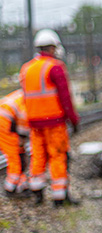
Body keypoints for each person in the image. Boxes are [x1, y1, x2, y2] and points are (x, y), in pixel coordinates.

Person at [19, 28, 80, 207]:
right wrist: (74, 120)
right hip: (54, 121)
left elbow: (25, 98)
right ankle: (59, 197)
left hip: (34, 123)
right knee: (58, 156)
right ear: (53, 48)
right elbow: (65, 97)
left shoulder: (26, 68)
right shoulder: (55, 67)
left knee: (37, 156)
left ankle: (37, 193)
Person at [0, 89, 30, 198]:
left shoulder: (24, 93)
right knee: (15, 158)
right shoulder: (29, 100)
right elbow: (23, 119)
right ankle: (10, 188)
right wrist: (22, 139)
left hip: (8, 123)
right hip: (5, 125)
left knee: (19, 155)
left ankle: (22, 185)